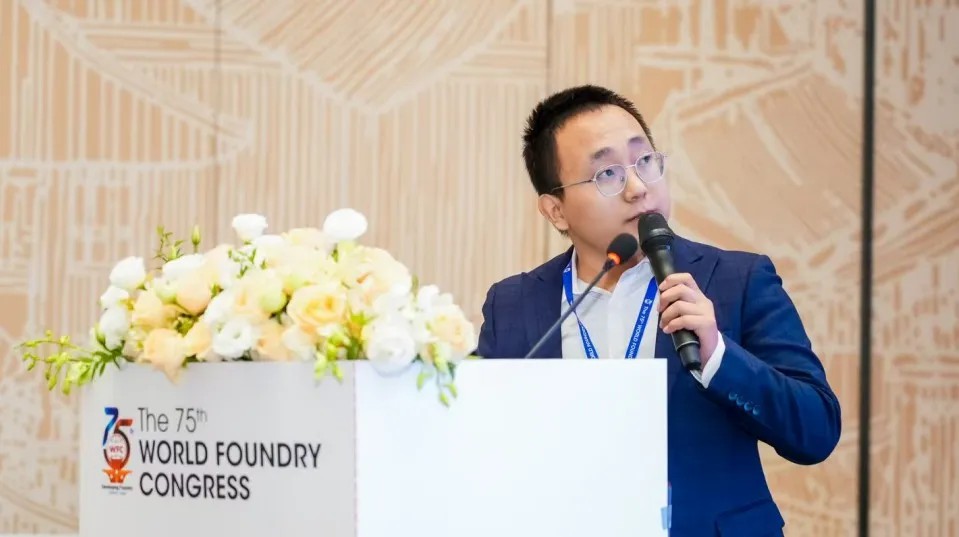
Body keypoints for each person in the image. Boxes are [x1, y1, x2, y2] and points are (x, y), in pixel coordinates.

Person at [476, 85, 841, 536]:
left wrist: (718, 357)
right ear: (556, 210)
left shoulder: (738, 280)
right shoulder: (513, 304)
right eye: (607, 174)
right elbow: (481, 446)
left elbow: (816, 430)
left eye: (644, 161)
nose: (637, 188)